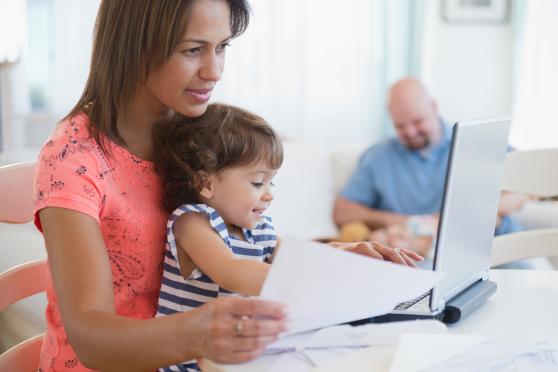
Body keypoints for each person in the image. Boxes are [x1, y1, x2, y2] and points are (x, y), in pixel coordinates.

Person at [33, 2, 420, 371]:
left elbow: (247, 246)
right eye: (193, 50)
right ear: (135, 44)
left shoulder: (197, 131)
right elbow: (89, 337)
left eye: (222, 47)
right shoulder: (74, 158)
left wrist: (331, 259)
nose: (214, 71)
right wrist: (198, 331)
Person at [333, 77, 527, 256]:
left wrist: (466, 213)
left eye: (418, 121)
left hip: (492, 245)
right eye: (400, 126)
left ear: (434, 107)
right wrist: (397, 221)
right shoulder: (378, 157)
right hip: (421, 255)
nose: (410, 131)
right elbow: (343, 212)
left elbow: (526, 185)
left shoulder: (475, 142)